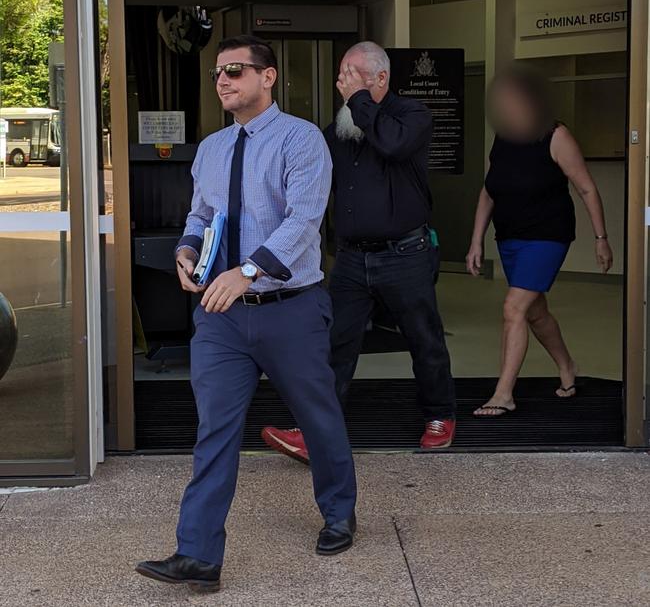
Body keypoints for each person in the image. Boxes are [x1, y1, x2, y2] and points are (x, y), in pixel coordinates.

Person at [136, 35, 357, 595]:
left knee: (318, 416)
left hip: (290, 308)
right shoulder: (211, 148)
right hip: (221, 316)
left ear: (268, 77)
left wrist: (248, 272)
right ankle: (198, 555)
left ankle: (339, 512)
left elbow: (305, 221)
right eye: (217, 73)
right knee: (215, 429)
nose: (224, 81)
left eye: (235, 70)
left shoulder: (301, 140)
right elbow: (201, 213)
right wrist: (187, 250)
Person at [262, 41, 456, 461]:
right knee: (333, 343)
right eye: (341, 76)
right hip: (351, 259)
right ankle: (315, 431)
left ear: (380, 79)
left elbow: (392, 145)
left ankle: (440, 415)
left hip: (406, 253)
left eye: (352, 75)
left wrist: (359, 102)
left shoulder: (411, 116)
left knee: (424, 339)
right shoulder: (339, 131)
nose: (342, 84)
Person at [466, 64, 614, 417]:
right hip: (511, 236)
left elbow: (586, 187)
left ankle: (503, 394)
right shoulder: (503, 137)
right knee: (535, 312)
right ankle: (567, 366)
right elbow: (489, 191)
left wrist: (601, 238)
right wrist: (476, 241)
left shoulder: (556, 136)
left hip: (547, 236)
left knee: (513, 308)